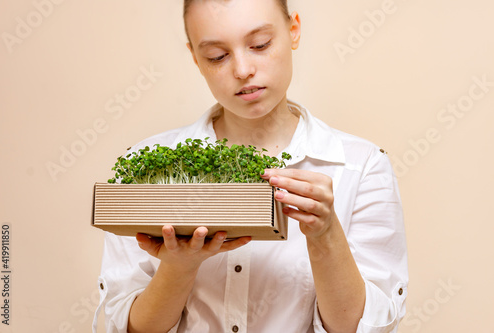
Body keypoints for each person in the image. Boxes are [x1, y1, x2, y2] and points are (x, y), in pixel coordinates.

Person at [93, 0, 408, 332]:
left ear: (293, 30)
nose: (242, 70)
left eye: (260, 45)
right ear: (195, 59)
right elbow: (123, 327)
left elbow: (364, 327)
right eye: (217, 56)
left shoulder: (362, 166)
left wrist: (326, 236)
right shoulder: (144, 170)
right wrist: (178, 267)